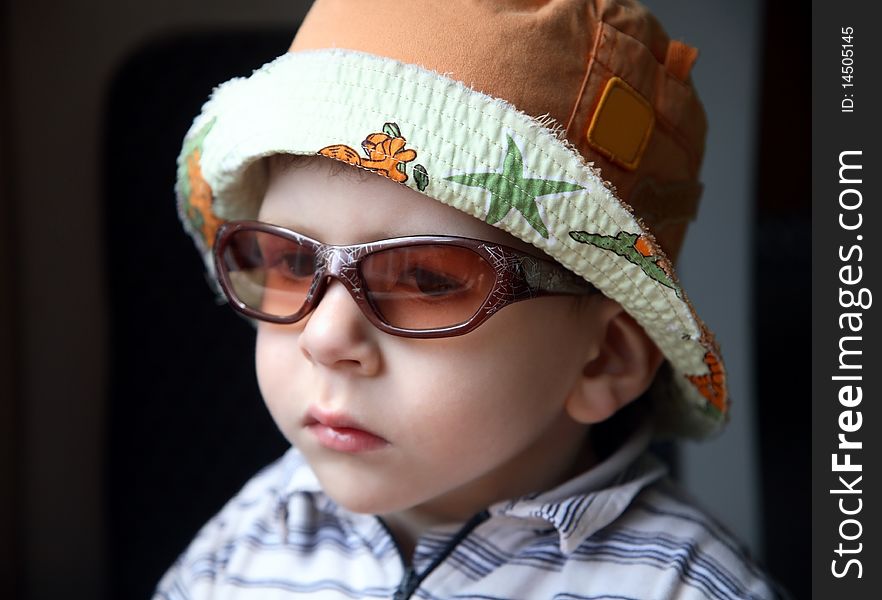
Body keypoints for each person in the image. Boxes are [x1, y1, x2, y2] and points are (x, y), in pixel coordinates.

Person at [155, 0, 781, 597]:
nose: (324, 339)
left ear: (603, 359)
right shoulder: (245, 543)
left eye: (426, 280)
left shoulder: (685, 585)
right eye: (292, 261)